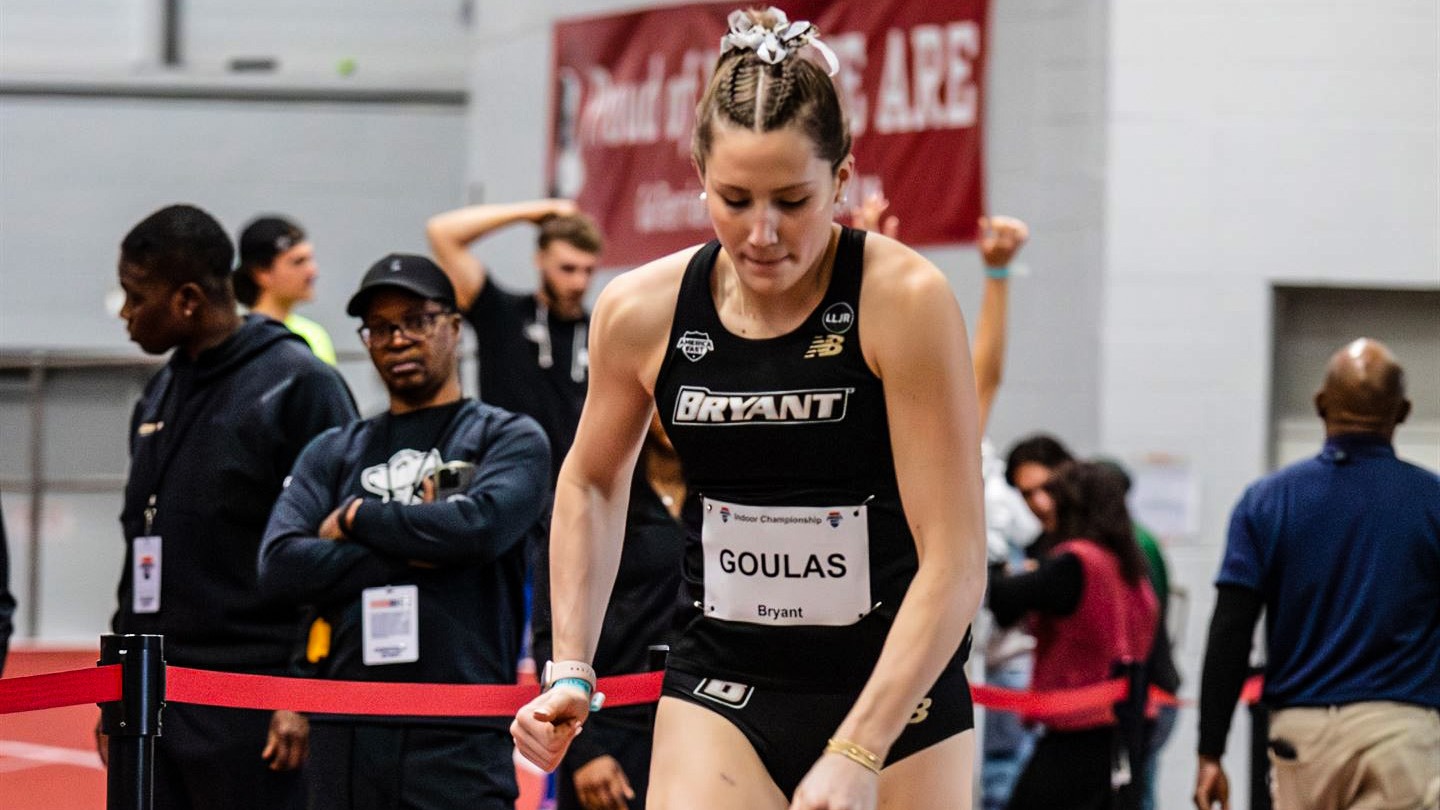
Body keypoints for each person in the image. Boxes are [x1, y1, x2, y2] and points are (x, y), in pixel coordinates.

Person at [511, 8, 987, 810]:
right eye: (734, 199)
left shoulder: (903, 299)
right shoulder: (641, 309)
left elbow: (956, 556)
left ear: (842, 181)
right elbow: (592, 485)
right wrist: (571, 668)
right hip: (724, 681)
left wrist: (857, 749)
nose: (762, 233)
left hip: (898, 690)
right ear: (698, 176)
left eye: (794, 201)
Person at [258, 254, 551, 810]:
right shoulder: (334, 450)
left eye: (416, 320)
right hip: (345, 734)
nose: (397, 339)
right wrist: (431, 547)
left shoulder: (508, 437)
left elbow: (482, 529)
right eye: (381, 328)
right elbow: (281, 565)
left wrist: (354, 521)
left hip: (461, 735)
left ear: (454, 327)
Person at [106, 203, 357, 810]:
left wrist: (303, 687)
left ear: (188, 299)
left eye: (135, 297)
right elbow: (141, 543)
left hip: (254, 703)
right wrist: (116, 688)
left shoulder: (299, 384)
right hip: (154, 695)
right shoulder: (161, 390)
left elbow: (339, 555)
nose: (126, 315)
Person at [850, 195, 1042, 810]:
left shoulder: (940, 435)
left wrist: (997, 278)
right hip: (836, 653)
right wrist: (865, 268)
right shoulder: (839, 432)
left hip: (928, 659)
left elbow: (980, 376)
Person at [1194, 338, 1439, 810]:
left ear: (1321, 404)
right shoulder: (1433, 502)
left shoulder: (1265, 502)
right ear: (1403, 412)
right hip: (1402, 733)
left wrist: (1210, 751)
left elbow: (1230, 630)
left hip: (1299, 740)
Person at [1005, 435, 1184, 807]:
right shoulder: (1127, 555)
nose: (1040, 505)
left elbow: (1006, 597)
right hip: (1129, 711)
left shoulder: (1081, 560)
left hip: (1092, 717)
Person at [543, 414, 686, 810]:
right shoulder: (593, 496)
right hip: (611, 730)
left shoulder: (726, 498)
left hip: (700, 725)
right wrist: (585, 750)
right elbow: (549, 632)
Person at [426, 197, 602, 481]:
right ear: (540, 259)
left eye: (588, 270)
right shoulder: (503, 314)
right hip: (507, 482)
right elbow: (441, 232)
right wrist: (533, 212)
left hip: (575, 490)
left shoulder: (600, 332)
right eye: (567, 269)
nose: (579, 283)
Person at [234, 215, 337, 365]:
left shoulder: (315, 335)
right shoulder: (236, 338)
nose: (313, 271)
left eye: (310, 259)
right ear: (261, 273)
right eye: (298, 262)